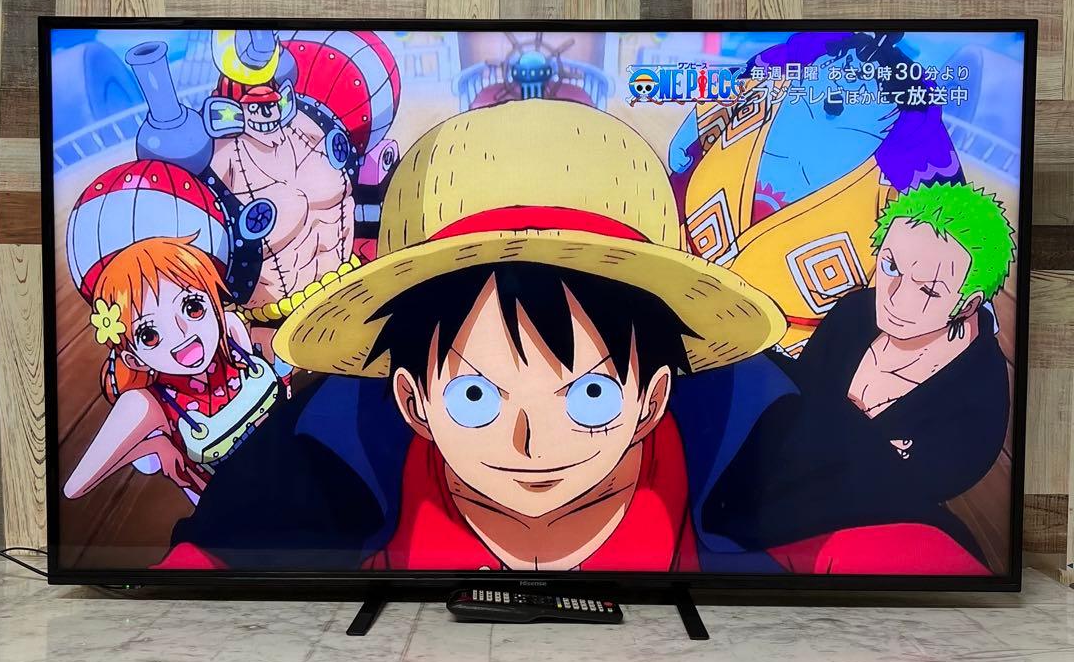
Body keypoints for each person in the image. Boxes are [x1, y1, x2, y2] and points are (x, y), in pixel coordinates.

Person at [166, 99, 794, 571]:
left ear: (652, 400)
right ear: (413, 401)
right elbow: (194, 583)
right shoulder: (339, 438)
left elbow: (851, 547)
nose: (531, 441)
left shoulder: (743, 422)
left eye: (590, 396)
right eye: (476, 397)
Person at [700, 181, 1016, 575]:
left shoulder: (978, 392)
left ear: (967, 304)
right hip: (769, 488)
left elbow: (915, 492)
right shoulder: (855, 312)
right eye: (891, 266)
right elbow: (797, 400)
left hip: (854, 531)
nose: (895, 297)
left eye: (928, 291)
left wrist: (838, 428)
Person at [64, 235, 280, 504]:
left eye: (193, 307)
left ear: (214, 303)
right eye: (149, 335)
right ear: (134, 359)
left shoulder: (231, 332)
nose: (182, 332)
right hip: (238, 508)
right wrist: (154, 447)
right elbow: (75, 487)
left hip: (290, 466)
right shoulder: (146, 403)